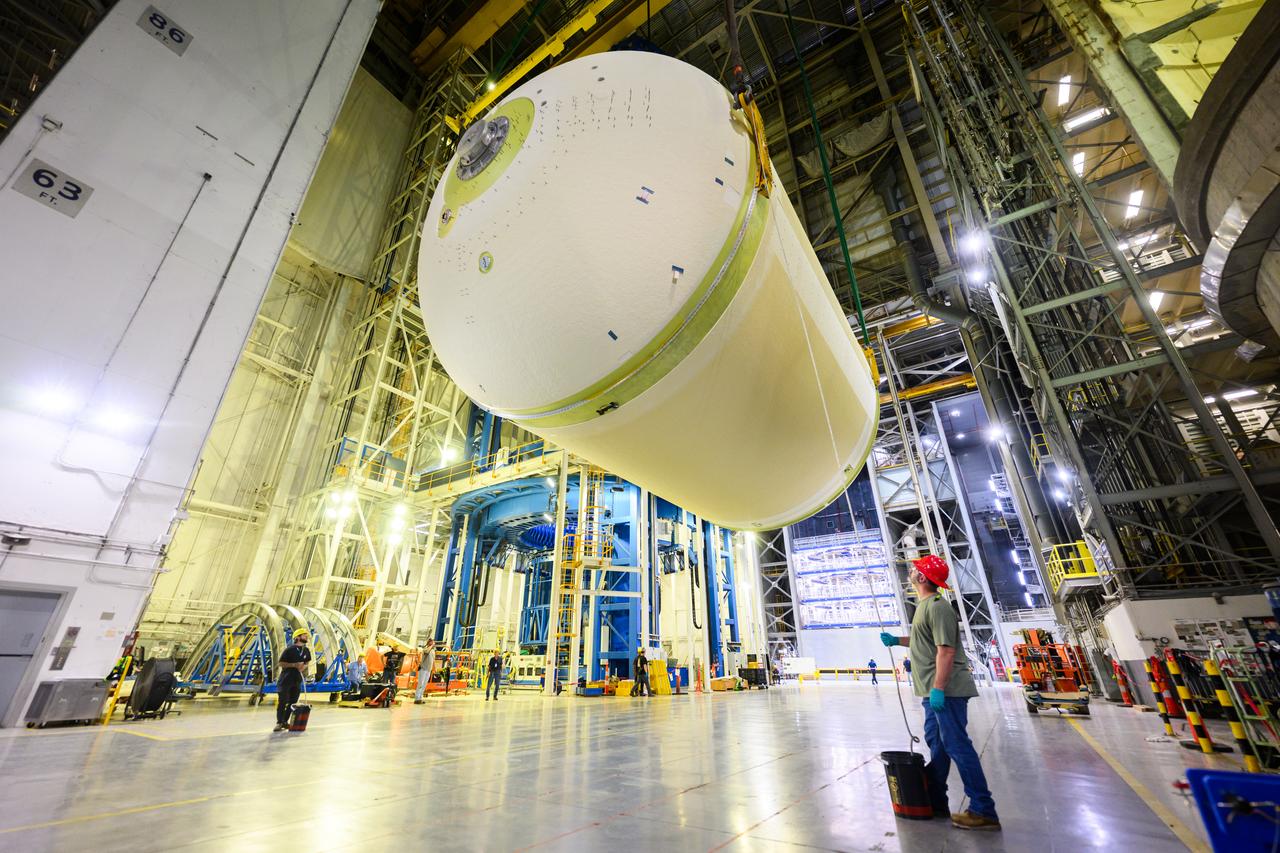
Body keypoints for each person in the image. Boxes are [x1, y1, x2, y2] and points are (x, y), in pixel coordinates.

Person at [881, 555, 1000, 831]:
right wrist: (897, 641)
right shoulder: (924, 608)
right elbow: (925, 639)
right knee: (939, 746)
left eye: (915, 569)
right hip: (933, 692)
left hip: (946, 691)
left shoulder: (938, 608)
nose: (911, 571)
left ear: (923, 578)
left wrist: (938, 689)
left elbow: (945, 650)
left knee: (957, 746)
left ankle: (983, 809)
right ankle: (936, 799)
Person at [274, 628, 312, 732]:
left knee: (293, 702)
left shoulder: (306, 650)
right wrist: (294, 665)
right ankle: (279, 722)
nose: (306, 637)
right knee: (283, 701)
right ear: (298, 637)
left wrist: (303, 667)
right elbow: (281, 663)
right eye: (304, 635)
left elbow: (307, 661)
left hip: (297, 680)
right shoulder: (289, 650)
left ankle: (285, 721)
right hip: (286, 680)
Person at [414, 639, 437, 705]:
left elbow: (433, 660)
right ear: (428, 643)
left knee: (424, 684)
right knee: (420, 683)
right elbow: (426, 652)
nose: (433, 643)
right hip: (423, 669)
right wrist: (431, 645)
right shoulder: (425, 649)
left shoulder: (433, 651)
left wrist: (434, 668)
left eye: (433, 642)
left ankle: (420, 698)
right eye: (431, 642)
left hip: (428, 670)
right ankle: (417, 698)